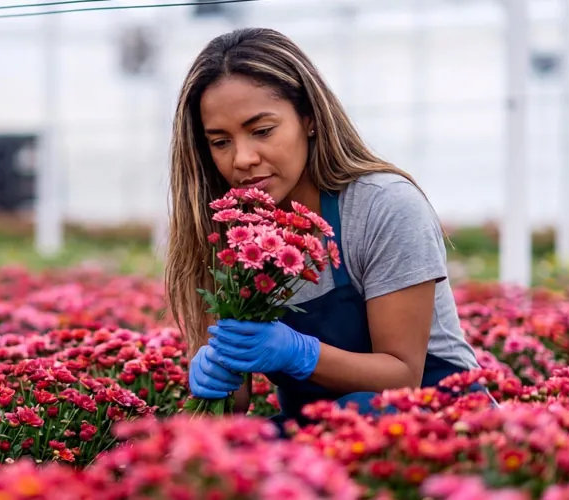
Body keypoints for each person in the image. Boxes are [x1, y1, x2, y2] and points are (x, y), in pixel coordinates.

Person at [165, 28, 488, 429]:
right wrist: (217, 377)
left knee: (358, 415)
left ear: (309, 119)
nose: (242, 158)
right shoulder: (230, 231)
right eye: (220, 142)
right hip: (319, 432)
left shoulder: (382, 206)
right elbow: (236, 404)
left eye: (262, 131)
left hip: (434, 420)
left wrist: (298, 352)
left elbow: (403, 375)